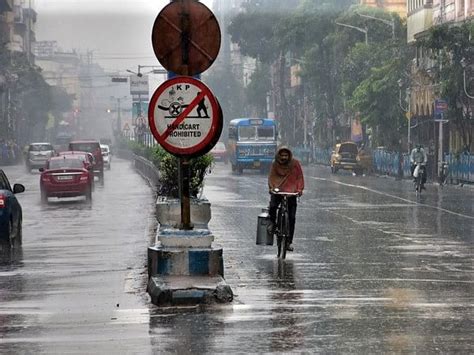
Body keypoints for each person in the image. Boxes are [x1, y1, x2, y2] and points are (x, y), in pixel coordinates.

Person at [267, 147, 305, 252]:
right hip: (278, 191)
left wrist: (299, 189)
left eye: (286, 156)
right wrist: (272, 187)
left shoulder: (295, 164)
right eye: (282, 155)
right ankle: (273, 224)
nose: (284, 158)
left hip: (291, 193)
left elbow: (299, 177)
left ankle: (288, 242)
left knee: (292, 218)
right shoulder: (275, 165)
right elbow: (271, 177)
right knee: (273, 206)